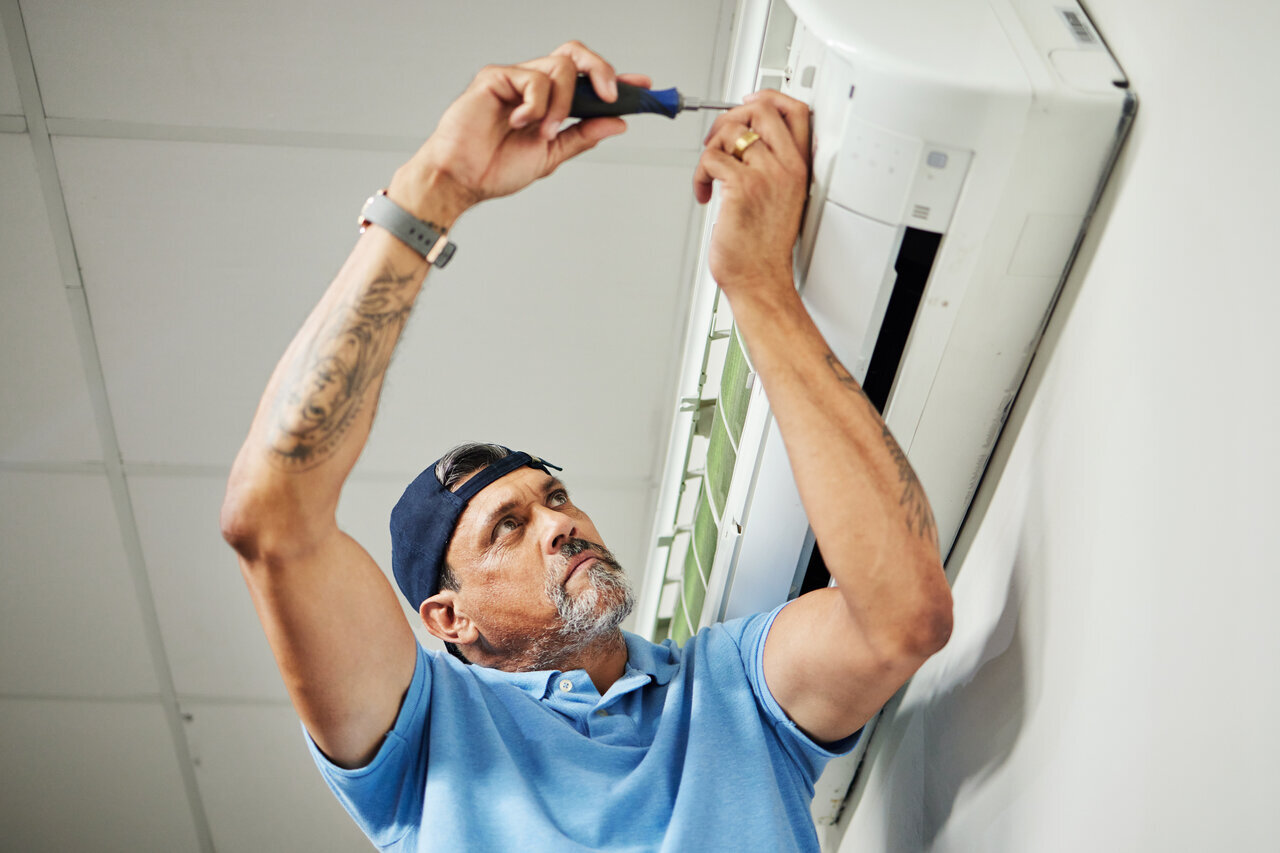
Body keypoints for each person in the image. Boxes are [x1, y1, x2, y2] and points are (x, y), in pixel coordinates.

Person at [220, 41, 953, 853]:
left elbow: (902, 619)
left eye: (556, 497)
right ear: (448, 617)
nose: (558, 523)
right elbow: (270, 516)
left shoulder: (731, 687)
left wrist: (758, 285)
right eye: (507, 525)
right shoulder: (426, 745)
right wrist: (439, 183)